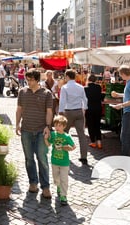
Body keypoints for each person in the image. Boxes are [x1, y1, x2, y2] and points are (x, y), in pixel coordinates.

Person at [16, 70, 53, 199]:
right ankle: (33, 183)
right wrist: (17, 124)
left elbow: (49, 111)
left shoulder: (47, 93)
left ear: (37, 80)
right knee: (29, 159)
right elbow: (19, 109)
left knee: (42, 159)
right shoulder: (22, 92)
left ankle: (46, 186)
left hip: (41, 131)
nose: (28, 82)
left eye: (31, 79)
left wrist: (48, 127)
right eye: (27, 79)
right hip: (26, 129)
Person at [58, 69, 89, 165]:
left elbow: (62, 101)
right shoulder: (80, 87)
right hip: (79, 111)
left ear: (67, 76)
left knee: (64, 133)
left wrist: (60, 112)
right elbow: (85, 99)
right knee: (82, 135)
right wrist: (84, 108)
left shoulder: (65, 87)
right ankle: (84, 157)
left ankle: (63, 154)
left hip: (68, 112)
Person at [44, 115, 76, 206]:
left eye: (59, 125)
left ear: (64, 126)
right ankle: (58, 186)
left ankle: (63, 196)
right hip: (55, 161)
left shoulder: (67, 136)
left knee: (64, 179)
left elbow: (73, 147)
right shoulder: (53, 134)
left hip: (64, 162)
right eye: (56, 125)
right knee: (56, 178)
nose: (57, 127)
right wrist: (46, 138)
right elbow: (48, 145)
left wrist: (67, 148)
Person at [84, 74, 104, 149]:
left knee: (90, 126)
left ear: (88, 79)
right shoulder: (98, 87)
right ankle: (99, 142)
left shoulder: (85, 88)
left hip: (89, 109)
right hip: (98, 108)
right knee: (97, 125)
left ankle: (93, 142)